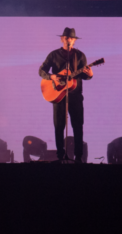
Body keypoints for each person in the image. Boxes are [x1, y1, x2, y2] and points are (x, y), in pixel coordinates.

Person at [39, 28, 93, 163]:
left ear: (74, 40)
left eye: (71, 38)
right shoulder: (53, 55)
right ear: (62, 39)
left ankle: (78, 157)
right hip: (58, 94)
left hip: (75, 96)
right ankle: (60, 156)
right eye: (66, 37)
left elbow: (83, 76)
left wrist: (90, 75)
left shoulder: (80, 56)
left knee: (77, 125)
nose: (69, 40)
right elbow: (41, 70)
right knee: (59, 126)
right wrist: (52, 77)